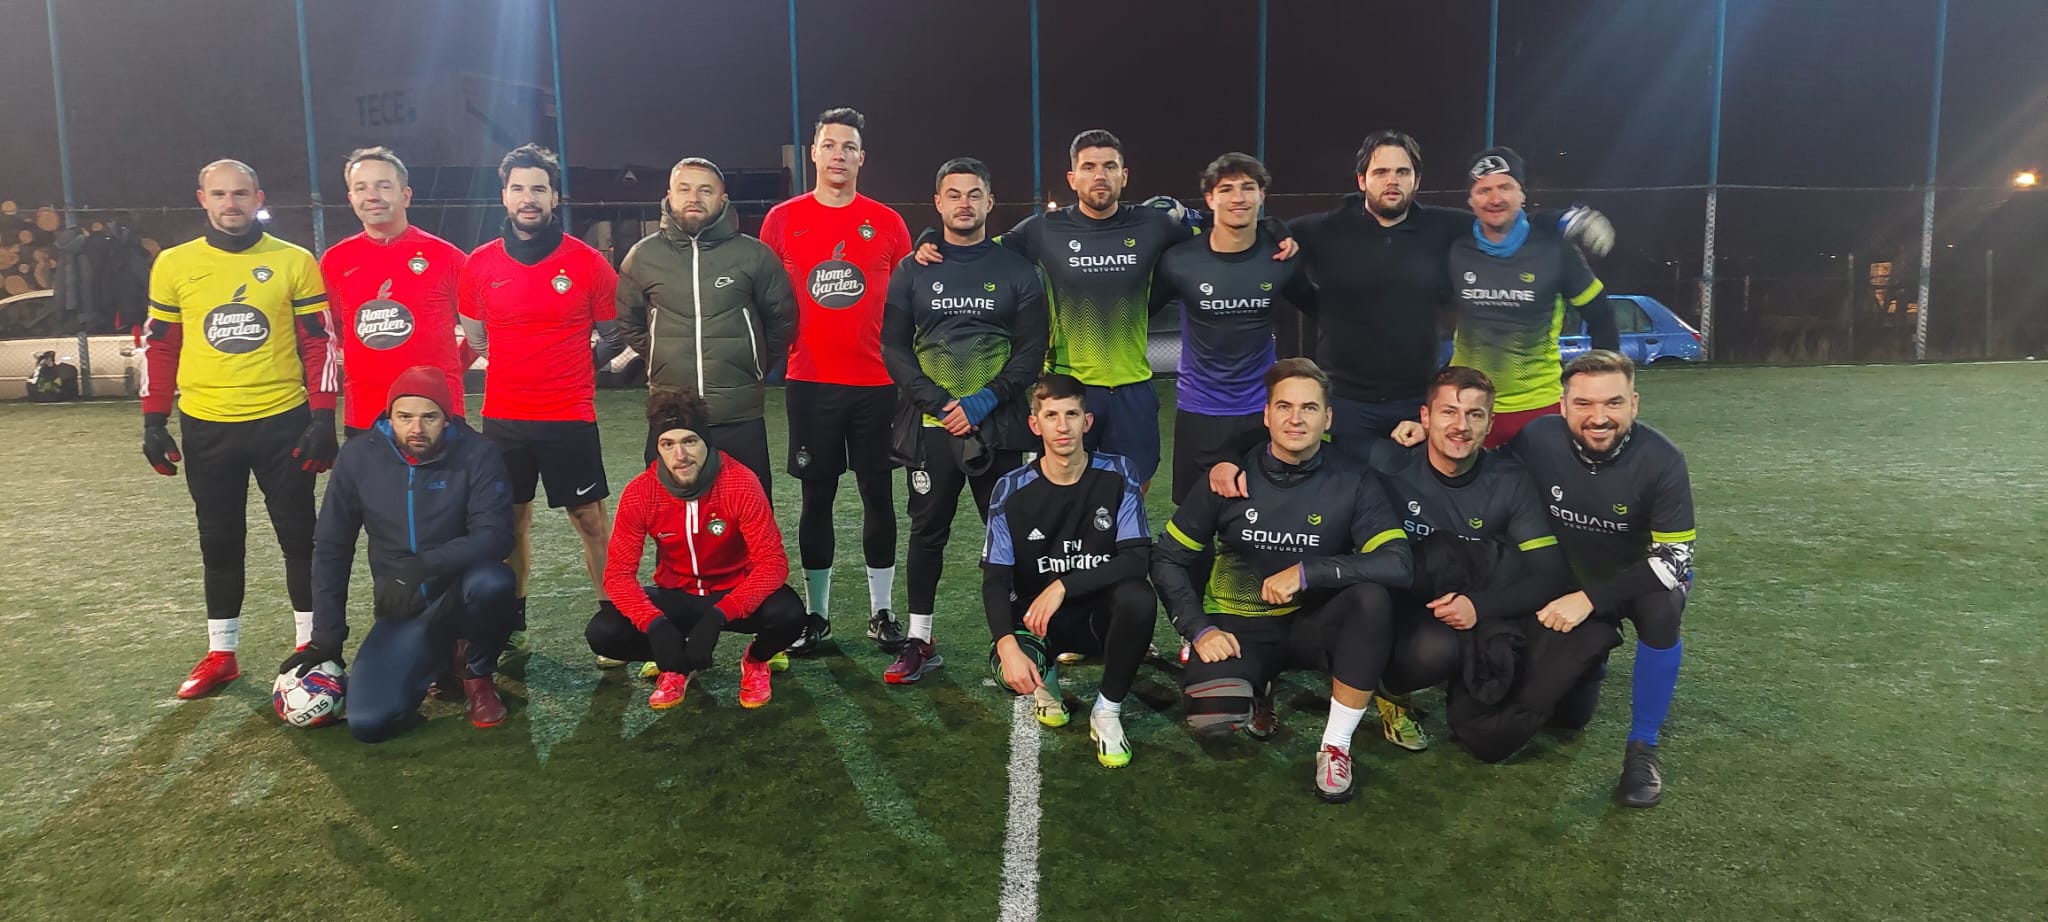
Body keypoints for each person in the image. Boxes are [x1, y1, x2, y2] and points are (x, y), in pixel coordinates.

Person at [916, 129, 1297, 494]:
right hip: (1068, 387)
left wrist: (1272, 227)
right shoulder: (1044, 229)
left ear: (1124, 176)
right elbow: (980, 249)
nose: (1100, 176)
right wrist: (931, 238)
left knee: (1134, 485)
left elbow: (1222, 232)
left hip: (1133, 386)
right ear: (1072, 178)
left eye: (1109, 166)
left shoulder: (1152, 225)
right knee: (1064, 487)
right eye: (1089, 167)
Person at [1154, 358, 1410, 803]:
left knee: (1372, 599)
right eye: (1285, 407)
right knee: (1212, 717)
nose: (1296, 419)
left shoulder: (1354, 479)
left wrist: (1309, 572)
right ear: (1267, 415)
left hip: (1311, 624)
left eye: (1309, 408)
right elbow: (1168, 558)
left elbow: (1398, 563)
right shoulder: (1228, 478)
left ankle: (1335, 746)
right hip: (1238, 626)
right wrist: (1199, 629)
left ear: (1328, 418)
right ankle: (1259, 689)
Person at [140, 158, 339, 699]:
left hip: (282, 420)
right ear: (202, 199)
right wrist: (154, 419)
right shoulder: (174, 264)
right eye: (220, 194)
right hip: (207, 425)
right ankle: (222, 654)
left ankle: (312, 649)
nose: (231, 203)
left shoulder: (294, 260)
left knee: (300, 538)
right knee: (220, 541)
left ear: (258, 198)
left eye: (241, 193)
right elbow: (161, 346)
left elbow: (319, 341)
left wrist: (323, 415)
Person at [1287, 130, 1615, 451]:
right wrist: (1324, 309)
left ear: (1417, 180)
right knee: (1348, 481)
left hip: (1426, 397)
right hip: (1350, 401)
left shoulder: (1445, 227)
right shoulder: (1325, 229)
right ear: (1362, 180)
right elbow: (1271, 240)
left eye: (1402, 172)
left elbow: (1503, 218)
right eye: (1381, 172)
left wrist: (1561, 219)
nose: (1392, 181)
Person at [879, 157, 1047, 685]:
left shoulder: (1017, 270)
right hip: (932, 428)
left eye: (974, 194)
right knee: (927, 532)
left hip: (998, 425)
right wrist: (939, 402)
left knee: (1011, 533)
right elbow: (893, 346)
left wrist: (981, 401)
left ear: (990, 202)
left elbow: (1031, 351)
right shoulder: (914, 269)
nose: (964, 204)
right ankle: (920, 639)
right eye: (954, 194)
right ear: (938, 202)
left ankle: (1016, 638)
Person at [285, 366, 517, 740]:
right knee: (370, 723)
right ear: (389, 416)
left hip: (461, 592)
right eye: (405, 417)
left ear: (447, 418)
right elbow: (331, 546)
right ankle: (439, 660)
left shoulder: (478, 453)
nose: (416, 429)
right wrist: (327, 637)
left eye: (430, 417)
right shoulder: (359, 457)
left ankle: (476, 674)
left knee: (494, 581)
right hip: (403, 607)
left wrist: (422, 566)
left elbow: (495, 537)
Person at [759, 107, 915, 655]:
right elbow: (765, 296)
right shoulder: (782, 219)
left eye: (849, 147)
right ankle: (817, 616)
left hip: (876, 384)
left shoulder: (887, 222)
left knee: (878, 495)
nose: (839, 155)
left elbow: (911, 294)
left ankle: (882, 612)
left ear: (861, 157)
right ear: (814, 153)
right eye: (829, 145)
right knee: (816, 497)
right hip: (810, 383)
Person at [457, 143, 622, 657]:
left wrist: (573, 367)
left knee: (590, 521)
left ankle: (613, 621)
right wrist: (520, 364)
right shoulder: (479, 265)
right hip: (504, 419)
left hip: (569, 415)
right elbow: (477, 339)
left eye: (538, 189)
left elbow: (613, 337)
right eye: (518, 188)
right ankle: (514, 621)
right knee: (510, 524)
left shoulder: (589, 263)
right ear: (504, 196)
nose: (528, 198)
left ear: (555, 197)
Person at [1511, 350, 1695, 808]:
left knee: (1662, 608)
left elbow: (1675, 559)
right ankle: (1590, 659)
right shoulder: (1536, 439)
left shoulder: (1663, 459)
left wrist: (1590, 598)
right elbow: (1485, 475)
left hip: (1633, 584)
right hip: (1566, 583)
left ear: (1634, 403)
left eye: (1613, 403)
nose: (1599, 418)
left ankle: (1642, 750)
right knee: (1568, 718)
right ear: (1562, 405)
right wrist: (1420, 434)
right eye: (1584, 404)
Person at [1364, 366, 1568, 753]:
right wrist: (1238, 464)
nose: (1461, 426)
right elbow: (1306, 435)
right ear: (1425, 417)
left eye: (1474, 414)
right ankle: (1387, 688)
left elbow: (1550, 575)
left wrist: (1479, 606)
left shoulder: (1510, 480)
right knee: (1425, 641)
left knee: (1568, 710)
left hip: (1468, 602)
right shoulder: (1388, 461)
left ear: (1490, 424)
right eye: (1449, 412)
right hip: (1395, 601)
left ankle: (1447, 684)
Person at [586, 388, 806, 711]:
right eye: (668, 444)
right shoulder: (641, 492)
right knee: (603, 632)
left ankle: (756, 659)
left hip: (733, 592)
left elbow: (772, 564)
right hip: (678, 595)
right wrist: (655, 625)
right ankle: (677, 664)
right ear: (658, 448)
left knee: (790, 615)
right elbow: (618, 576)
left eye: (689, 441)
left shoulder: (740, 482)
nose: (680, 455)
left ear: (706, 442)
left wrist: (719, 615)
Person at [981, 374, 1155, 768]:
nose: (1062, 426)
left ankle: (1106, 711)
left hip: (1096, 618)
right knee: (1009, 669)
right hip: (1039, 621)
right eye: (1051, 415)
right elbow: (995, 580)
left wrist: (1063, 585)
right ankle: (1046, 682)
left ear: (1086, 421)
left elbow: (1136, 559)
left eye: (1072, 414)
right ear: (1035, 424)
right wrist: (1006, 645)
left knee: (1139, 598)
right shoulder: (1010, 489)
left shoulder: (1119, 473)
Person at [615, 156, 796, 497]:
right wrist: (661, 357)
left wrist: (752, 364)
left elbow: (780, 321)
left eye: (705, 190)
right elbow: (631, 322)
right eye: (684, 189)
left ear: (723, 199)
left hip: (738, 414)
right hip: (671, 416)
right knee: (670, 516)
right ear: (669, 195)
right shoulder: (642, 257)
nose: (694, 198)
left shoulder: (754, 255)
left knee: (749, 511)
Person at [1155, 152, 1316, 506]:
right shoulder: (1180, 260)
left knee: (1259, 511)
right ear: (1210, 199)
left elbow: (1319, 308)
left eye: (1248, 187)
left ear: (1262, 195)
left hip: (1261, 410)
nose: (1238, 197)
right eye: (1226, 189)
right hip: (1199, 410)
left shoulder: (1280, 258)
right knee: (1195, 515)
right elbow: (1139, 311)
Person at [1447, 147, 1617, 447]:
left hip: (1539, 408)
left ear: (1522, 194)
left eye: (1505, 187)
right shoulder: (1453, 247)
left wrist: (1604, 384)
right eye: (1484, 190)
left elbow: (1602, 317)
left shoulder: (1556, 250)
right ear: (1470, 200)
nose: (1495, 198)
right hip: (1467, 407)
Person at [320, 146, 469, 438]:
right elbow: (332, 330)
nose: (372, 196)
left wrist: (448, 374)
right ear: (351, 199)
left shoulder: (447, 257)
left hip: (436, 413)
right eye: (361, 188)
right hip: (365, 413)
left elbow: (481, 326)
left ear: (406, 195)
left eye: (384, 186)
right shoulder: (335, 261)